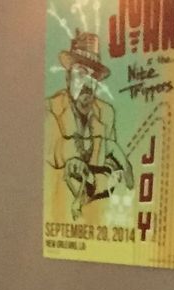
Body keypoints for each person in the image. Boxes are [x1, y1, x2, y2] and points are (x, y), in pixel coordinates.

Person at [46, 31, 133, 220]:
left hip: (95, 214)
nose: (87, 83)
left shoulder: (106, 113)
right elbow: (53, 151)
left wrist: (95, 177)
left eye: (93, 77)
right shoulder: (50, 108)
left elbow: (112, 169)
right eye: (81, 74)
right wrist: (105, 146)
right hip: (58, 213)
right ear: (68, 78)